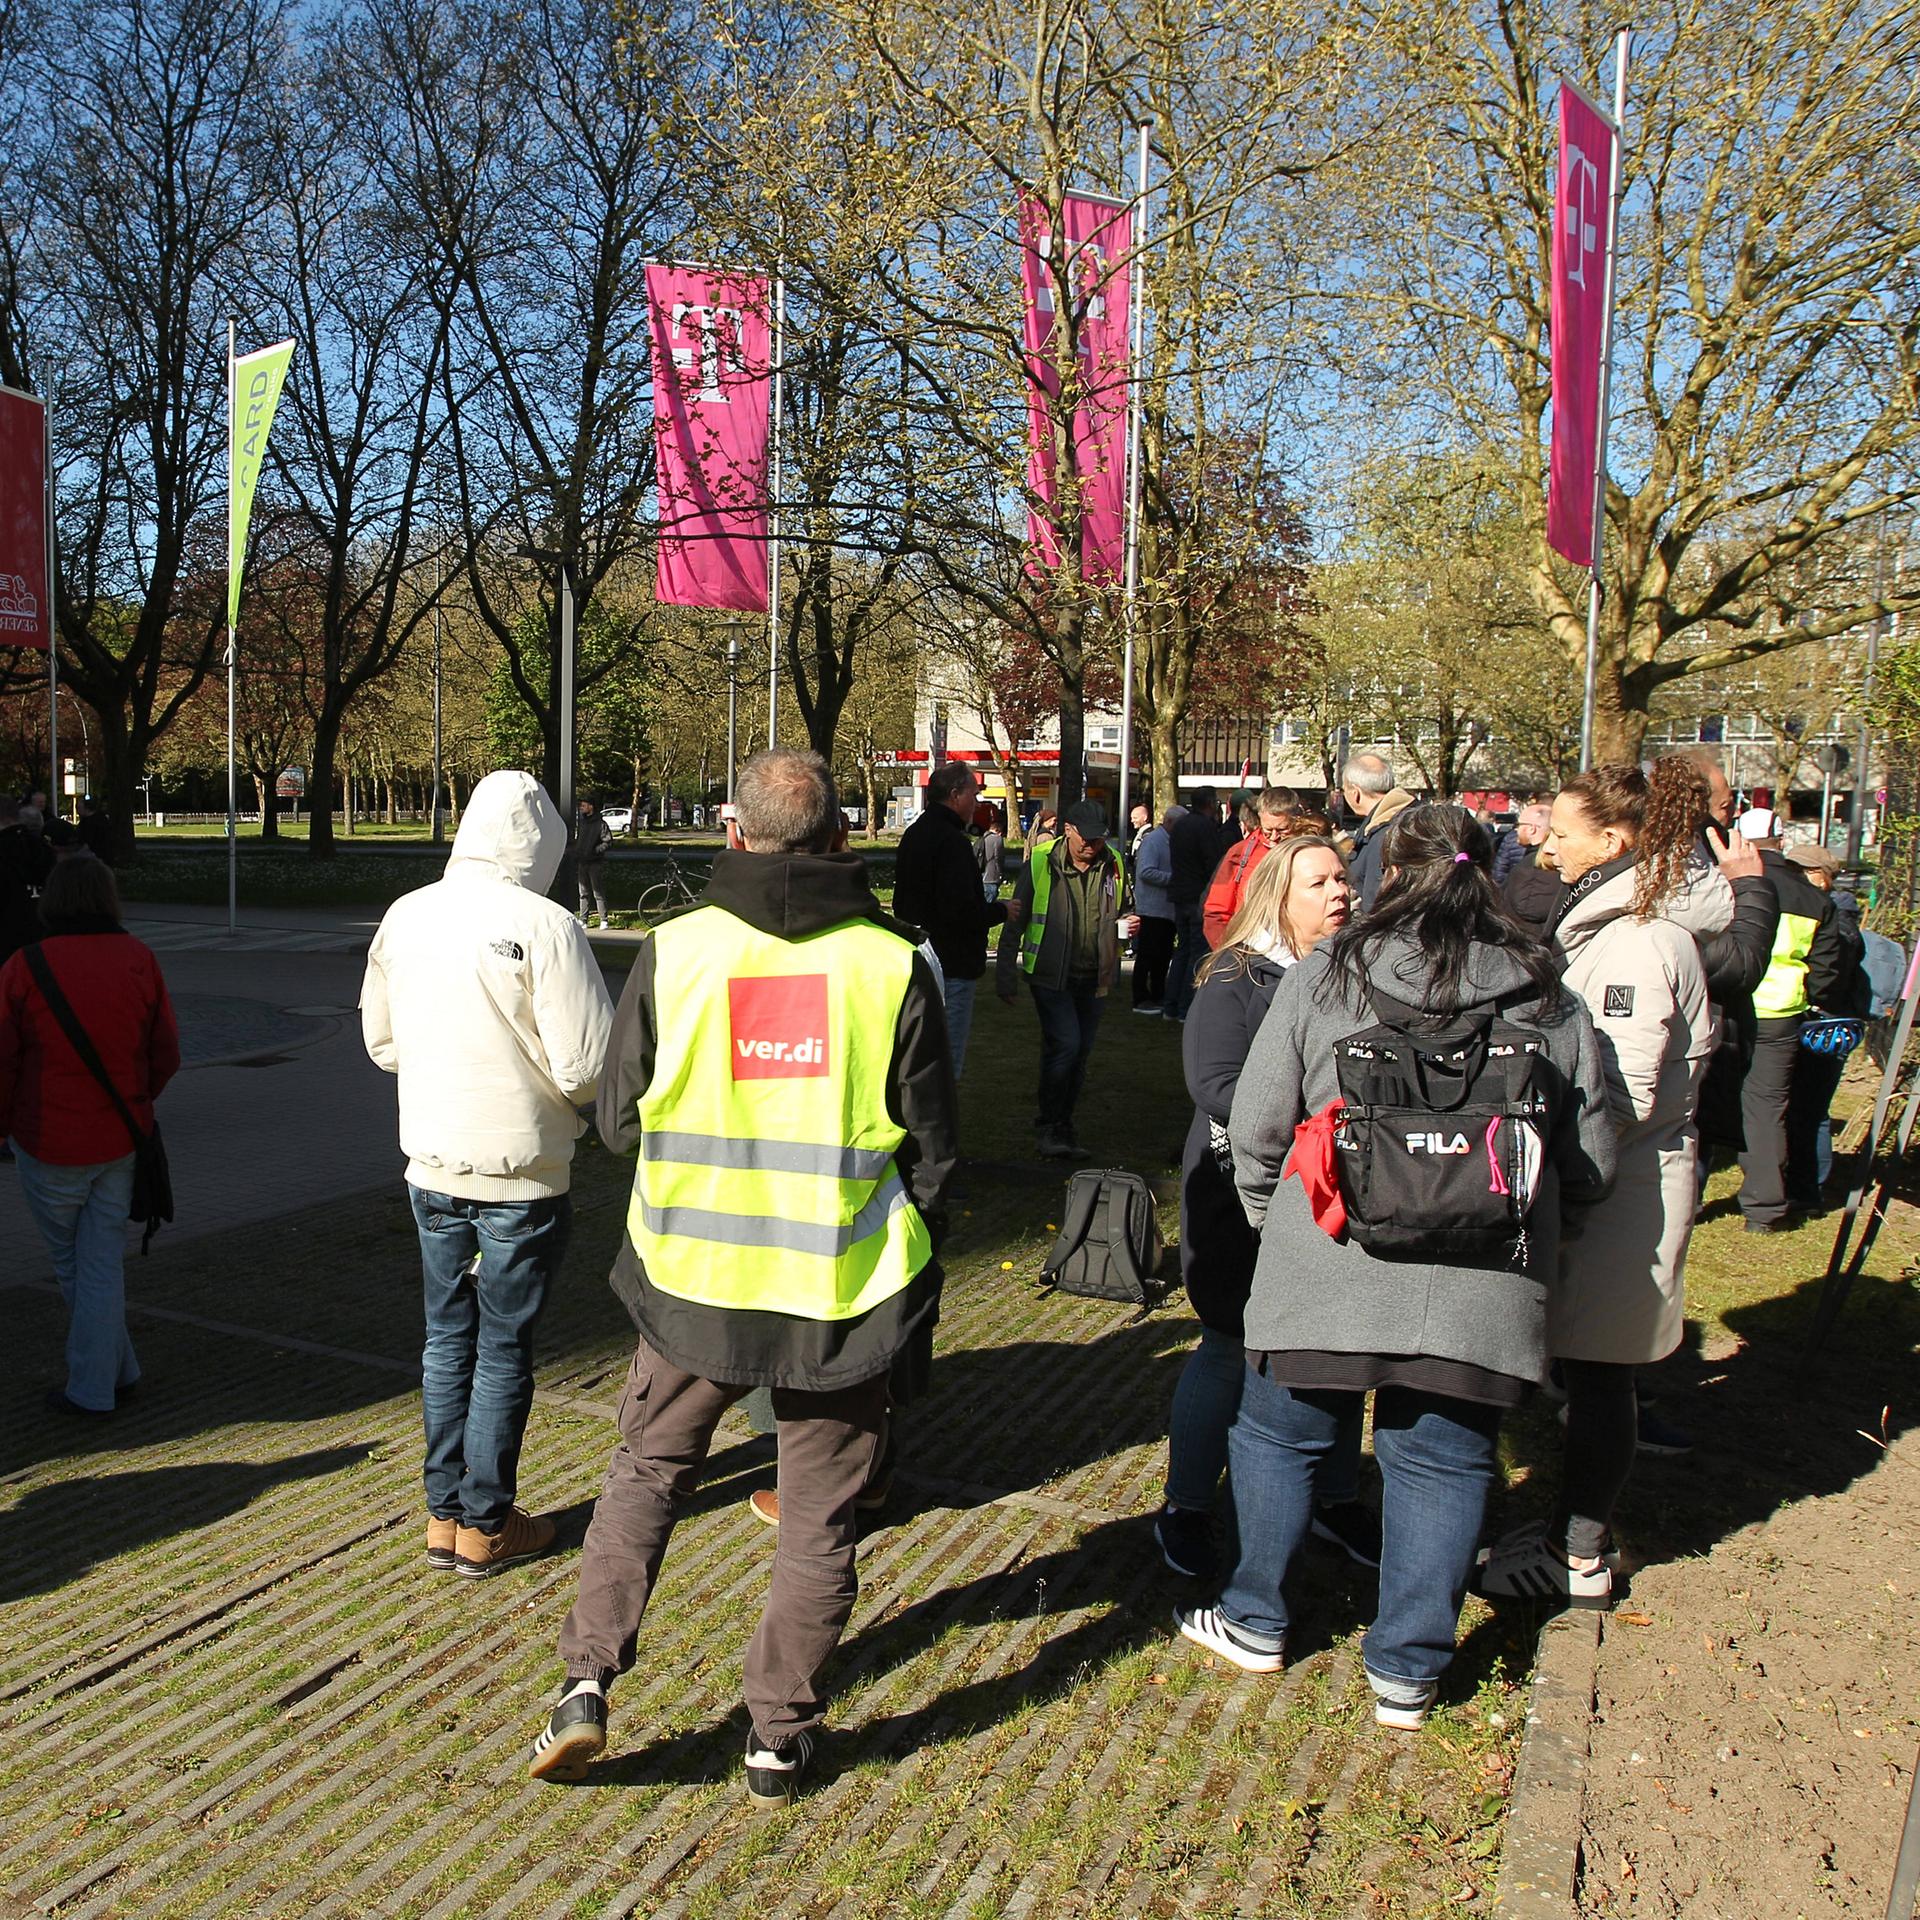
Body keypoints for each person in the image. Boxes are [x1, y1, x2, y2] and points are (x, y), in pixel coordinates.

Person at [528, 748, 957, 1806]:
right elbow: (936, 1153)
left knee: (646, 1476)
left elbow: (620, 1120)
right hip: (840, 1289)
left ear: (734, 833)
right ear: (841, 840)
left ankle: (585, 1683)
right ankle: (776, 1738)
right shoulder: (894, 961)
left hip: (691, 1281)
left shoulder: (675, 951)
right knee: (818, 1517)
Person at [1207, 806, 1613, 1726]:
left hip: (1329, 1253)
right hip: (1482, 1281)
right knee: (1444, 1461)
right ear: (1491, 874)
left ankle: (1257, 1618)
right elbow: (1590, 1156)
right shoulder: (1547, 993)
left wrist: (1284, 1228)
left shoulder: (1327, 975)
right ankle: (1407, 1670)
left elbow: (1262, 1127)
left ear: (1387, 873)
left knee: (1278, 1437)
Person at [1478, 761, 1729, 1609]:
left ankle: (1576, 1552)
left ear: (1613, 842)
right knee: (1591, 1372)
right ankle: (1571, 1536)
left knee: (1598, 1375)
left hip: (1619, 1194)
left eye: (1564, 831)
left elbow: (1623, 1093)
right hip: (1608, 1188)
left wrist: (1559, 1172)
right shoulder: (1616, 928)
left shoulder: (1638, 942)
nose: (1547, 844)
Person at [362, 770, 614, 1580]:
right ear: (541, 844)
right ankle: (486, 1521)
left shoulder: (406, 915)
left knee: (445, 1338)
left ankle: (445, 1515)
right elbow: (586, 1064)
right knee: (503, 1347)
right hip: (523, 1171)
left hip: (431, 1159)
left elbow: (382, 1041)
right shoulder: (548, 925)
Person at [1157, 835, 1380, 1583]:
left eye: (1342, 878)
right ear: (1277, 898)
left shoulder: (1358, 975)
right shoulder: (1238, 980)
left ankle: (1336, 1499)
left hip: (1334, 1189)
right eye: (1317, 883)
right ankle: (1186, 1507)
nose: (1339, 892)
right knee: (1229, 1347)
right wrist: (1309, 1123)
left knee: (1341, 1344)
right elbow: (1214, 1083)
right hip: (1239, 1191)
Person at [0, 856, 179, 1413]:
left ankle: (93, 1389)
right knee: (99, 1263)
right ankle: (116, 1373)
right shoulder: (138, 959)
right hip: (120, 1137)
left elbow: (3, 1059)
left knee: (75, 1267)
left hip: (47, 1138)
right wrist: (136, 1099)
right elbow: (166, 1052)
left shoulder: (24, 966)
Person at [1729, 807, 1858, 1232]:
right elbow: (1826, 969)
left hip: (1729, 1004)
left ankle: (1684, 1197)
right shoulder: (1814, 898)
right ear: (1781, 841)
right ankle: (1764, 1210)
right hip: (1780, 1014)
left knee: (1699, 1099)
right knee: (1767, 1109)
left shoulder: (1729, 884)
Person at [995, 799, 1137, 1160]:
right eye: (1085, 838)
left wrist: (1131, 923)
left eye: (1099, 839)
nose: (1092, 845)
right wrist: (1006, 974)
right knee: (1067, 1046)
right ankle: (1051, 1126)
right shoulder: (1041, 862)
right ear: (1068, 830)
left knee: (1077, 1052)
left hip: (1094, 978)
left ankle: (1062, 1124)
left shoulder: (1114, 864)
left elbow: (1125, 909)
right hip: (1050, 976)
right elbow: (1016, 918)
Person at [892, 763, 1009, 1079]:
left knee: (917, 1049)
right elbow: (961, 910)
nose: (977, 802)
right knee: (946, 1056)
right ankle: (935, 1121)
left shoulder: (916, 835)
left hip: (917, 956)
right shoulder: (951, 842)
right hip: (951, 961)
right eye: (973, 793)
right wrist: (1001, 911)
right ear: (955, 795)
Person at [1779, 841, 1869, 1211]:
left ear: (1820, 876)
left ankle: (1807, 1190)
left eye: (1800, 871)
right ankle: (1801, 1185)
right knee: (1805, 1108)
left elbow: (1830, 974)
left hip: (1825, 1024)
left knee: (1810, 1109)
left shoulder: (1835, 917)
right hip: (1824, 1019)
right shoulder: (1834, 913)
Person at [1200, 787, 1300, 948]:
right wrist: (1226, 952)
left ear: (1296, 820)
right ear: (1259, 818)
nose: (1274, 838)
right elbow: (1216, 911)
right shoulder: (1240, 853)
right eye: (1268, 830)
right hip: (1249, 949)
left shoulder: (1310, 853)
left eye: (1282, 830)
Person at [1162, 785, 1228, 1022]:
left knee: (1183, 951)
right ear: (1210, 803)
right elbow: (1214, 862)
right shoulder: (1205, 827)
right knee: (1197, 953)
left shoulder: (1181, 826)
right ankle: (1185, 1007)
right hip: (1198, 895)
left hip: (1181, 893)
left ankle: (1170, 1005)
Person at [1339, 754, 1419, 909]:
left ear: (1355, 793)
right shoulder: (1413, 820)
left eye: (1344, 789)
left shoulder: (1385, 835)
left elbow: (1374, 903)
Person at [1131, 804, 1181, 1015]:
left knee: (1162, 956)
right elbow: (1145, 872)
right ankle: (1141, 997)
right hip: (1152, 909)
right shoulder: (1153, 841)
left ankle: (1157, 995)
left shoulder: (1168, 841)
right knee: (1147, 956)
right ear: (1170, 823)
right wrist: (1175, 879)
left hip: (1166, 908)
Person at [575, 797, 612, 928]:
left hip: (595, 862)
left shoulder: (600, 824)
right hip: (582, 861)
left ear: (591, 807)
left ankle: (603, 920)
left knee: (598, 891)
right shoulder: (583, 823)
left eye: (584, 805)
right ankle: (583, 919)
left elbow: (607, 841)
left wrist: (597, 850)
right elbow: (579, 839)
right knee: (583, 892)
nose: (581, 807)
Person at [1492, 801, 1549, 886]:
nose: (1516, 829)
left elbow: (1499, 875)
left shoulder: (1532, 865)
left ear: (1531, 829)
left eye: (1519, 824)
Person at [76, 797, 115, 865]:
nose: (77, 811)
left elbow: (87, 842)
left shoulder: (89, 823)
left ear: (86, 808)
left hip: (95, 856)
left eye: (79, 808)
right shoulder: (101, 818)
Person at [977, 817, 1006, 902]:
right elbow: (998, 858)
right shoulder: (997, 839)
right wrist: (1001, 873)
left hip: (981, 875)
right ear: (998, 830)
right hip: (992, 876)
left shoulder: (982, 838)